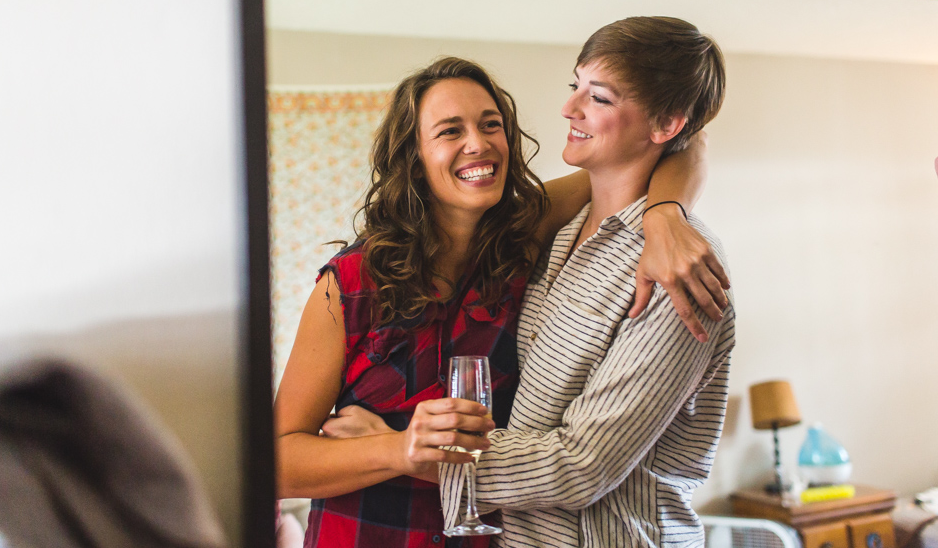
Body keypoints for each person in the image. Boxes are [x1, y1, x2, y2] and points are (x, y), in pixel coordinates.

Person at [274, 55, 728, 547]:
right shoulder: (353, 282)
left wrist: (665, 213)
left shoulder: (521, 242)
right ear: (414, 156)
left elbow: (671, 146)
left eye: (491, 125)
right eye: (450, 131)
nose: (478, 143)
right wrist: (396, 450)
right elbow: (277, 463)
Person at [431, 17, 737, 547]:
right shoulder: (555, 233)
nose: (570, 109)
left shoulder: (676, 270)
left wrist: (404, 451)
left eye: (598, 97)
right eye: (575, 86)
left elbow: (583, 465)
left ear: (663, 125)